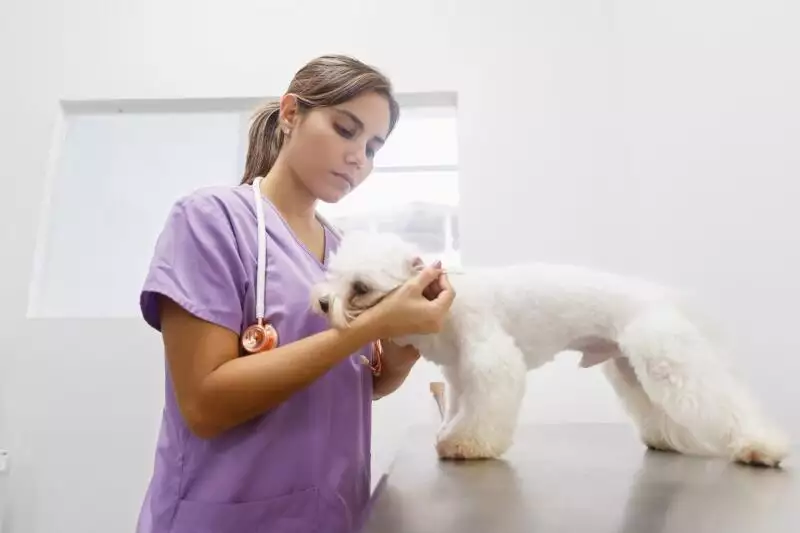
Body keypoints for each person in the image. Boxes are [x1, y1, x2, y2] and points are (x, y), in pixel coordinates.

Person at [134, 55, 456, 533]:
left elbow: (361, 382)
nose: (358, 159)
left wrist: (407, 338)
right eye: (345, 130)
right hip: (226, 516)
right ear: (290, 115)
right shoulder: (210, 220)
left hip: (333, 513)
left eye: (372, 148)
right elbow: (204, 404)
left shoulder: (346, 252)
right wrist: (372, 325)